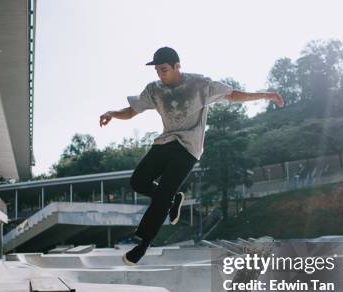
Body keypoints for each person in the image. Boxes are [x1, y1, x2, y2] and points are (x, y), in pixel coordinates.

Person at [99, 47, 284, 265]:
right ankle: (175, 198)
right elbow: (132, 111)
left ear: (178, 66)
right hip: (166, 142)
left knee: (163, 193)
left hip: (188, 148)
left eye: (164, 69)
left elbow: (232, 95)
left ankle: (143, 243)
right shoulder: (154, 89)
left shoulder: (199, 85)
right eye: (157, 70)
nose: (160, 74)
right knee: (138, 181)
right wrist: (112, 113)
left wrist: (266, 94)